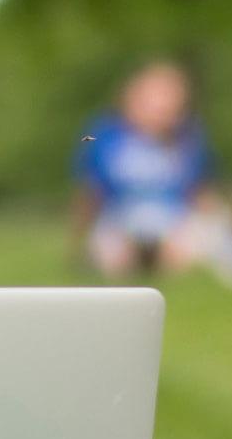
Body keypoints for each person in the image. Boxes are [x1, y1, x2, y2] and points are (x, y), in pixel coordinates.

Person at [71, 61, 224, 278]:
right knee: (114, 258)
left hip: (172, 220)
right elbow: (90, 193)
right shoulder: (103, 136)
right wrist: (79, 241)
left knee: (184, 250)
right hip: (120, 219)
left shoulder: (187, 140)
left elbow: (199, 191)